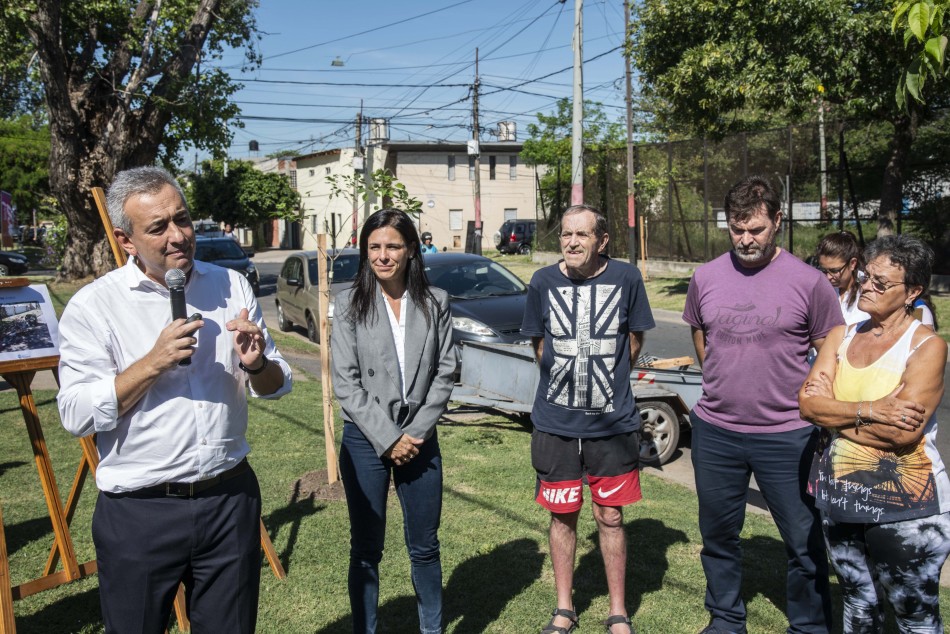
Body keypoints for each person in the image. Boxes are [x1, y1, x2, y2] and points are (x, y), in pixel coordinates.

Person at [57, 166, 292, 633]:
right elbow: (76, 414)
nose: (178, 236)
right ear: (125, 240)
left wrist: (256, 364)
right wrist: (152, 362)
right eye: (158, 227)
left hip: (228, 499)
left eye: (182, 219)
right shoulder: (94, 306)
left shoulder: (231, 286)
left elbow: (275, 385)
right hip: (140, 511)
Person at [682, 175, 841, 634]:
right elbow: (701, 337)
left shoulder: (809, 282)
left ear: (777, 221)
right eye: (737, 229)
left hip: (789, 435)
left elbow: (830, 352)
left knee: (803, 541)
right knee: (718, 537)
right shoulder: (705, 277)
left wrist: (813, 406)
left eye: (755, 229)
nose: (746, 239)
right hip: (717, 432)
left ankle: (809, 626)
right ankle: (726, 619)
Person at [800, 234, 949, 633]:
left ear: (912, 292)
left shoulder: (926, 347)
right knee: (857, 602)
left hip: (906, 509)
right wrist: (870, 410)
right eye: (867, 277)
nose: (866, 286)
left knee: (913, 615)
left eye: (881, 284)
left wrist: (832, 414)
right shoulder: (840, 336)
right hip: (841, 497)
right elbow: (807, 406)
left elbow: (900, 434)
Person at [521, 204, 655, 634]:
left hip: (612, 426)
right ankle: (564, 608)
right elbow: (539, 345)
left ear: (602, 240)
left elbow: (634, 340)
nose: (572, 242)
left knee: (610, 517)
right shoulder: (542, 281)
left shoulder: (627, 278)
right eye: (566, 234)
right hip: (555, 425)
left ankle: (617, 611)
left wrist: (605, 382)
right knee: (562, 516)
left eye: (582, 234)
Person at [331, 208, 456, 634]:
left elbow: (446, 371)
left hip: (420, 437)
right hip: (366, 438)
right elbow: (346, 383)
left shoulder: (435, 301)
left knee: (425, 547)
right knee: (366, 549)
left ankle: (432, 629)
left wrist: (415, 433)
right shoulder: (348, 304)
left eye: (393, 246)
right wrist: (389, 439)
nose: (383, 256)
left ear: (411, 250)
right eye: (374, 247)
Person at [815, 231, 870, 326]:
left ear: (852, 264)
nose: (828, 277)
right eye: (823, 270)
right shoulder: (819, 289)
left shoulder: (869, 289)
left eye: (835, 270)